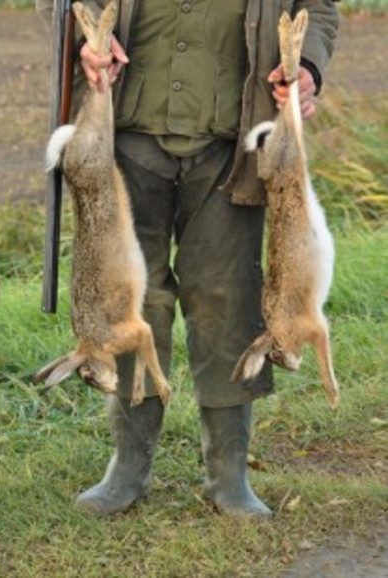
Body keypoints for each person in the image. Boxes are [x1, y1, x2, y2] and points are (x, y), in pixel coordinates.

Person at [37, 0, 339, 516]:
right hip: (127, 132)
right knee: (130, 304)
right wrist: (86, 39)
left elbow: (318, 8)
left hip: (232, 141)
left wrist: (306, 67)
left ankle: (229, 476)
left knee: (226, 297)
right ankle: (128, 467)